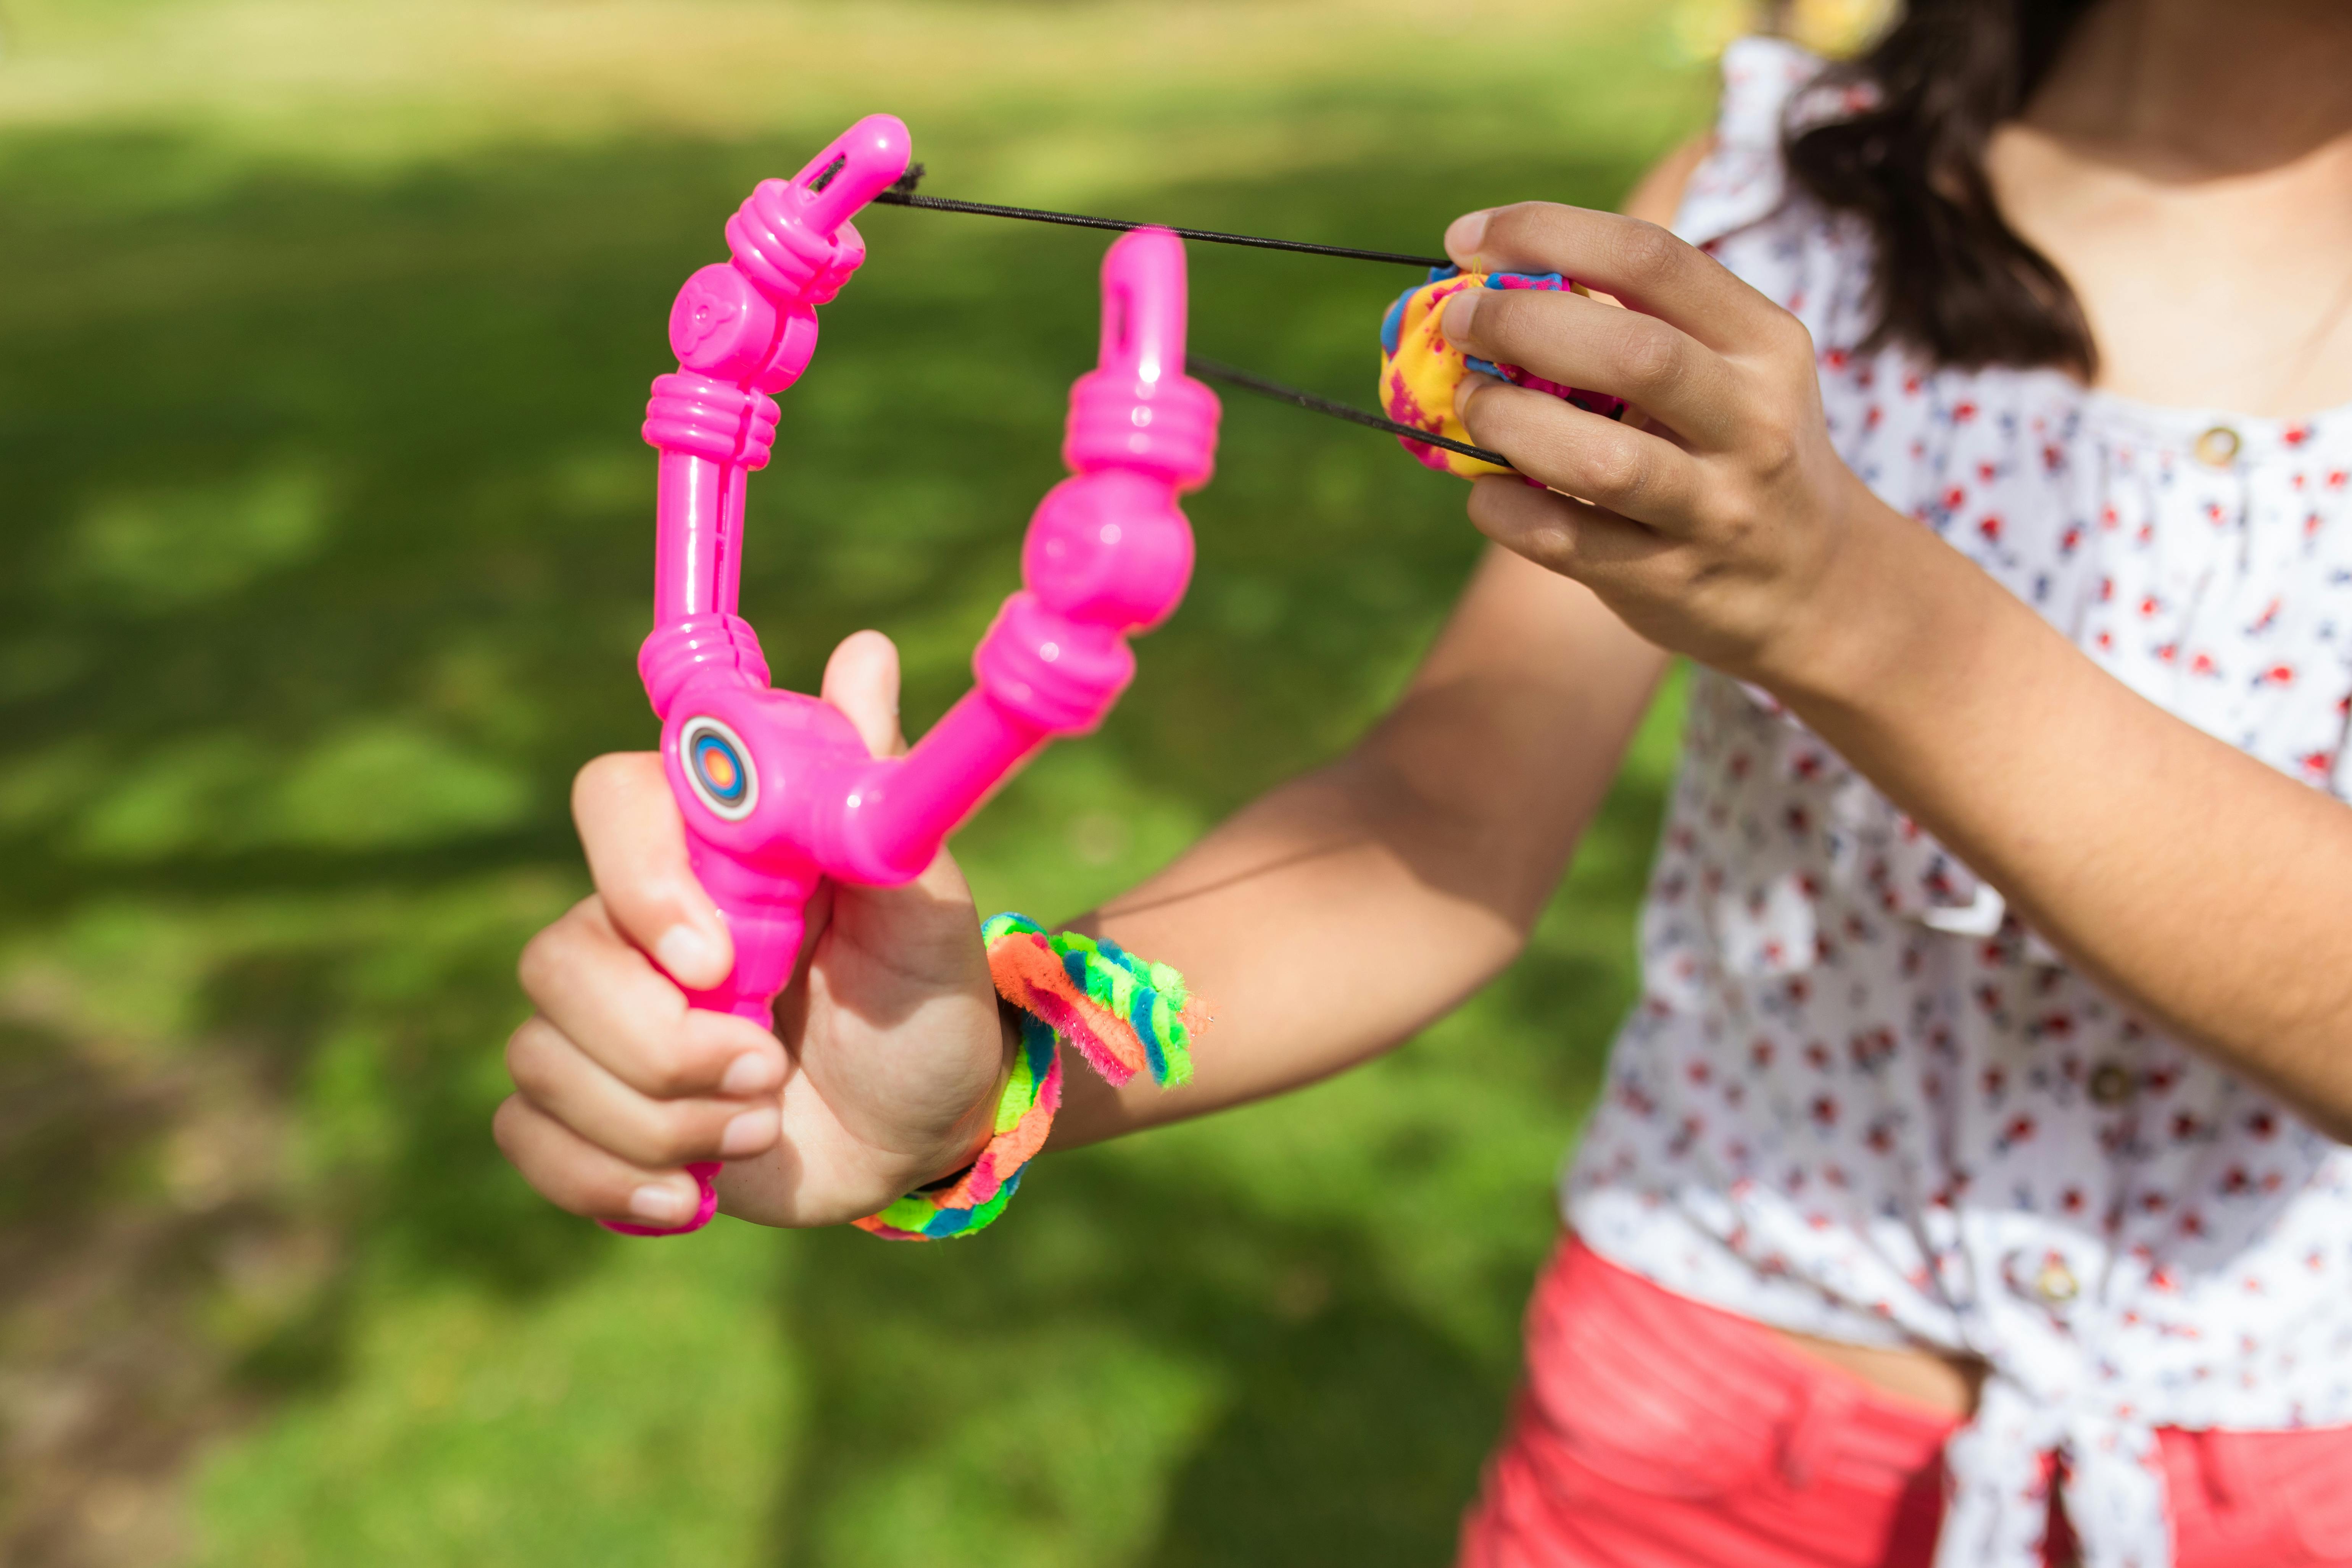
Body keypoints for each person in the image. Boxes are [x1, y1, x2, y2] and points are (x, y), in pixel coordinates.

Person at [492, 1, 2352, 1562]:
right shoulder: (1766, 210)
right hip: (1676, 1452)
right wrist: (984, 1064)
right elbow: (1442, 814)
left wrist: (1858, 615)